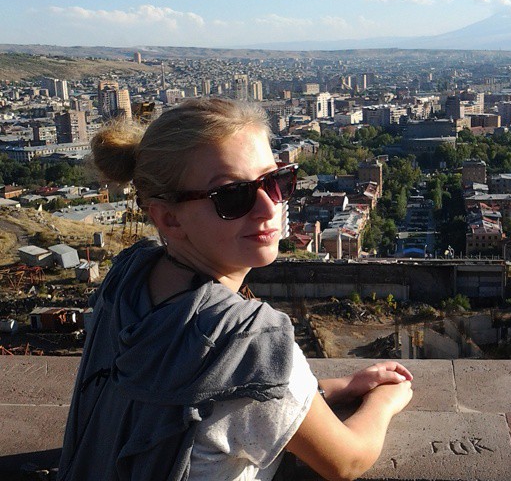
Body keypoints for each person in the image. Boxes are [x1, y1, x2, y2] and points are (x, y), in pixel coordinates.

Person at [58, 97, 413, 481]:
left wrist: (338, 388)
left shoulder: (128, 278)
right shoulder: (246, 338)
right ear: (168, 217)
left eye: (276, 182)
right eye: (232, 195)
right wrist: (385, 400)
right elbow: (347, 460)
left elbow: (206, 396)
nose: (268, 207)